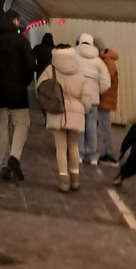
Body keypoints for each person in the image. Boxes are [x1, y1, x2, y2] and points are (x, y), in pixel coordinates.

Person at [0, 11, 35, 183]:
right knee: (22, 123)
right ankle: (14, 157)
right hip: (17, 91)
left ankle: (3, 164)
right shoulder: (21, 41)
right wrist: (24, 82)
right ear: (15, 21)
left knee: (1, 127)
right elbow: (30, 65)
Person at [37, 43, 88, 192]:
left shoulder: (50, 69)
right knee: (73, 146)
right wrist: (81, 108)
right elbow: (87, 96)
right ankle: (75, 180)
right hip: (76, 113)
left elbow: (40, 88)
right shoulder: (78, 71)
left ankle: (64, 180)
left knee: (60, 148)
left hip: (56, 111)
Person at [75, 32, 111, 166]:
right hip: (93, 100)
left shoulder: (74, 58)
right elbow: (106, 83)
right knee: (91, 127)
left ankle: (78, 153)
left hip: (78, 99)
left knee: (79, 127)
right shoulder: (99, 62)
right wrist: (97, 92)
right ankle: (92, 155)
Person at [95, 37, 119, 164]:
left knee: (105, 127)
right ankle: (106, 151)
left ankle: (110, 153)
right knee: (104, 126)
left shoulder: (107, 62)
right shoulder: (107, 61)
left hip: (104, 98)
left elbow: (106, 81)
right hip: (105, 98)